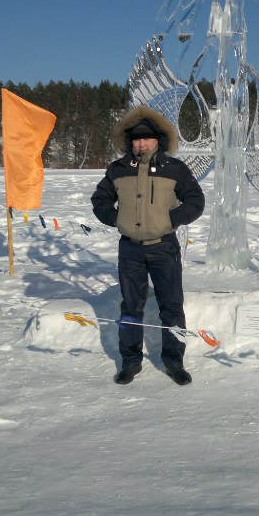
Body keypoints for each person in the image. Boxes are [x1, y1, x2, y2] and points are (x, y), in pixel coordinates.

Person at [91, 105, 205, 385]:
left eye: (147, 138)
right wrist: (117, 218)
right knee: (131, 306)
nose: (141, 143)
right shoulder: (117, 170)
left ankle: (174, 361)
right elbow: (100, 201)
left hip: (163, 248)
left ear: (159, 140)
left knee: (172, 306)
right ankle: (130, 361)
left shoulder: (174, 169)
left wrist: (171, 219)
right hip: (130, 249)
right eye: (136, 138)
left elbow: (195, 201)